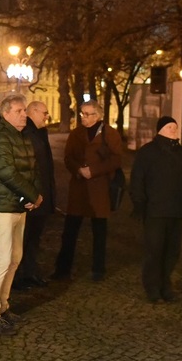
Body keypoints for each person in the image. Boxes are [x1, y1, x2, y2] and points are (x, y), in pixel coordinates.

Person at [0, 94, 42, 335]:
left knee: (15, 257)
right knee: (3, 259)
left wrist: (34, 194)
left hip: (18, 205)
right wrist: (32, 195)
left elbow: (32, 168)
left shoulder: (21, 136)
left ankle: (4, 306)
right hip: (3, 206)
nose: (24, 114)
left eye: (24, 110)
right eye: (19, 110)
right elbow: (6, 172)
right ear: (5, 113)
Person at [129, 116, 182, 303]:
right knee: (154, 251)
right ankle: (152, 287)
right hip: (155, 211)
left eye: (175, 127)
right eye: (169, 126)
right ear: (160, 129)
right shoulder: (147, 153)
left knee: (172, 251)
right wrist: (138, 204)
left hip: (176, 211)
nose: (173, 130)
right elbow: (137, 179)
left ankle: (165, 285)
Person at [52, 100, 122, 281]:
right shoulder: (76, 133)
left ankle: (98, 269)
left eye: (88, 114)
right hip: (79, 187)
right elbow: (68, 157)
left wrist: (94, 171)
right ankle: (62, 269)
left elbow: (116, 160)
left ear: (98, 115)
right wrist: (78, 169)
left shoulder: (110, 134)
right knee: (70, 231)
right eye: (82, 113)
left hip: (100, 188)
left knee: (99, 232)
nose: (84, 117)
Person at [15, 101, 56, 289]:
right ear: (33, 112)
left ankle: (30, 272)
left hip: (41, 194)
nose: (47, 116)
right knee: (24, 237)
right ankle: (19, 276)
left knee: (34, 237)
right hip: (31, 197)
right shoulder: (26, 133)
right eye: (45, 113)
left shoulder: (39, 133)